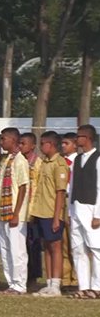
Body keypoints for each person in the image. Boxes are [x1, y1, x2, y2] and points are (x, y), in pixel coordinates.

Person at [29, 132, 70, 297]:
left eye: (43, 143)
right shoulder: (44, 162)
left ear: (51, 144)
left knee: (56, 247)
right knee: (46, 247)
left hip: (52, 211)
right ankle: (48, 283)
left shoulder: (59, 164)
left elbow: (60, 192)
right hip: (40, 210)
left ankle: (56, 284)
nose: (40, 147)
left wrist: (56, 217)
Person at [0, 128, 30, 295]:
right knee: (5, 250)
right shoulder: (6, 160)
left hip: (14, 213)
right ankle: (11, 283)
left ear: (13, 140)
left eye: (3, 139)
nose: (1, 142)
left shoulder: (20, 161)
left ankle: (20, 284)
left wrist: (16, 213)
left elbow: (23, 187)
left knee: (17, 250)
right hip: (2, 211)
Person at [70, 124, 100, 298]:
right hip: (76, 207)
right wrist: (70, 210)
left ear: (88, 138)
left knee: (96, 248)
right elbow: (73, 185)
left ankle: (97, 287)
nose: (76, 139)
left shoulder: (98, 158)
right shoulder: (77, 159)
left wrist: (98, 215)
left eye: (79, 136)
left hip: (91, 207)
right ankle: (84, 286)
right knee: (78, 248)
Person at [21, 132, 44, 288]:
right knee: (22, 245)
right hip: (21, 209)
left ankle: (33, 276)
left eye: (24, 143)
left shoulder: (38, 163)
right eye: (20, 143)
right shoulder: (19, 161)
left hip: (33, 209)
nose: (21, 146)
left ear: (32, 146)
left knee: (33, 244)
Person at [61, 132, 79, 289]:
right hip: (61, 200)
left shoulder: (78, 162)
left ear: (75, 144)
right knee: (64, 243)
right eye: (62, 143)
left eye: (66, 143)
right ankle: (65, 278)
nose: (63, 146)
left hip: (72, 200)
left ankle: (76, 278)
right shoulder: (61, 162)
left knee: (75, 243)